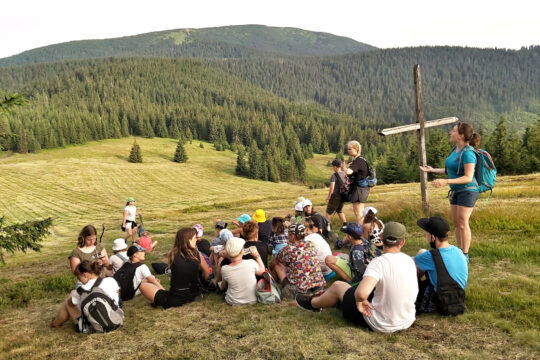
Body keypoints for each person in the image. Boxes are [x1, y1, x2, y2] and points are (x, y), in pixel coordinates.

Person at [295, 222, 419, 334]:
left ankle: (312, 303)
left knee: (339, 286)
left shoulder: (378, 263)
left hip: (381, 324)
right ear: (402, 242)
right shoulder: (409, 260)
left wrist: (360, 302)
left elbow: (361, 293)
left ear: (381, 238)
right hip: (407, 319)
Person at [419, 122, 481, 257]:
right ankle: (459, 251)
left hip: (468, 190)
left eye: (453, 131)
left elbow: (468, 177)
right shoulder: (455, 150)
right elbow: (450, 170)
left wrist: (445, 181)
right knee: (456, 223)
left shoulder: (468, 153)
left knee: (463, 223)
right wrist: (431, 170)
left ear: (461, 135)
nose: (450, 133)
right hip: (456, 191)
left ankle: (465, 255)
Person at [145, 228, 211, 309]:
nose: (196, 240)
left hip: (176, 298)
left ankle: (163, 294)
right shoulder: (197, 254)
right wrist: (203, 281)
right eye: (195, 238)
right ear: (188, 240)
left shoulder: (172, 254)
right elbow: (207, 272)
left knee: (143, 285)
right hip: (195, 294)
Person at [414, 216, 468, 314]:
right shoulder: (458, 251)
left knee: (413, 267)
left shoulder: (431, 256)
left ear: (433, 237)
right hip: (457, 296)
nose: (425, 235)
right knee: (422, 253)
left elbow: (406, 263)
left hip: (440, 300)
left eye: (427, 233)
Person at [51, 260, 120, 329]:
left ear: (85, 275)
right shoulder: (111, 280)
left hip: (94, 327)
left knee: (67, 302)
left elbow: (70, 303)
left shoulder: (83, 289)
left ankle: (56, 323)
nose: (79, 280)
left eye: (79, 278)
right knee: (74, 295)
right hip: (115, 320)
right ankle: (57, 320)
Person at [270, 222, 326, 299]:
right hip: (319, 286)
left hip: (300, 291)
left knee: (277, 265)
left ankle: (276, 285)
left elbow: (274, 262)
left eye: (288, 234)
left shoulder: (288, 249)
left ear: (292, 236)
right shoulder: (311, 244)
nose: (287, 236)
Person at [219, 237, 265, 305]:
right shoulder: (251, 263)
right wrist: (257, 255)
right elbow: (262, 271)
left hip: (233, 301)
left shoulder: (225, 269)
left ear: (227, 253)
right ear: (242, 251)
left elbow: (223, 286)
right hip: (253, 300)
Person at [344, 140, 370, 224]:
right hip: (362, 189)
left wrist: (343, 167)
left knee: (358, 212)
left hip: (359, 189)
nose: (348, 151)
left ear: (356, 149)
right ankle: (364, 230)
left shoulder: (358, 161)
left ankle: (361, 232)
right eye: (347, 149)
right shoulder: (361, 160)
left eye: (350, 149)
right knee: (360, 212)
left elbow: (348, 172)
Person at [326, 159, 347, 224]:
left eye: (332, 166)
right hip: (342, 196)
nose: (332, 168)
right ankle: (345, 225)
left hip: (335, 196)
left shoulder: (334, 175)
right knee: (339, 211)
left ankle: (327, 228)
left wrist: (328, 197)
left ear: (335, 166)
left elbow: (332, 188)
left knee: (328, 213)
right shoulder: (344, 173)